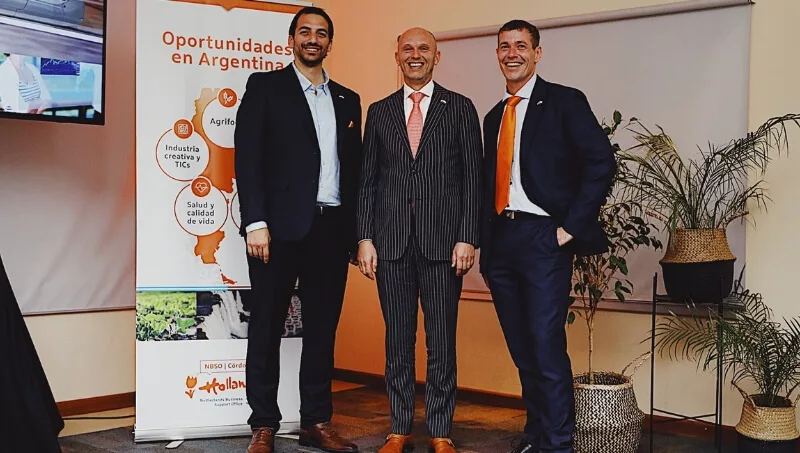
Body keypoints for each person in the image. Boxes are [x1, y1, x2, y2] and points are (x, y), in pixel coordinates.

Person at [479, 20, 616, 453]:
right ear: (497, 54)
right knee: (522, 348)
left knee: (545, 344)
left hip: (543, 238)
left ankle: (558, 444)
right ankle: (536, 434)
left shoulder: (563, 101)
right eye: (505, 46)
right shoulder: (494, 117)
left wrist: (569, 228)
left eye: (521, 45)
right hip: (501, 240)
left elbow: (601, 162)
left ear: (537, 53)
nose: (512, 53)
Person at [233, 7, 363, 453]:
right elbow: (248, 158)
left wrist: (355, 234)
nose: (313, 39)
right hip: (276, 231)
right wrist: (255, 222)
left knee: (323, 330)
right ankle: (263, 425)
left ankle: (317, 422)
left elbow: (354, 171)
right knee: (266, 327)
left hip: (331, 231)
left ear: (330, 43)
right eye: (305, 31)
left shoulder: (348, 99)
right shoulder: (265, 87)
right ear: (291, 40)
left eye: (321, 33)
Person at [357, 27, 483, 453]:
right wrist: (365, 237)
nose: (415, 55)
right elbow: (368, 181)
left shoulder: (460, 107)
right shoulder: (379, 111)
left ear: (436, 57)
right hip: (390, 245)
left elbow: (473, 179)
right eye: (407, 49)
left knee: (441, 343)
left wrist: (468, 237)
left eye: (423, 48)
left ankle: (441, 432)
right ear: (397, 56)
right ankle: (399, 429)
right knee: (398, 342)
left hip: (444, 246)